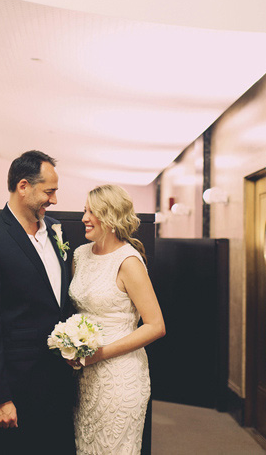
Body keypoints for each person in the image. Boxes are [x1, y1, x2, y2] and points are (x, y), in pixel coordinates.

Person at [0, 150, 76, 454]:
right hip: (18, 386)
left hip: (60, 382)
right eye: (49, 191)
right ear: (23, 186)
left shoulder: (55, 230)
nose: (54, 200)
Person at [69, 184, 165, 455]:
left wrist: (101, 354)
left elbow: (156, 326)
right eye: (84, 210)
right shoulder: (80, 255)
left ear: (111, 218)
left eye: (92, 212)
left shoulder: (129, 261)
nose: (84, 218)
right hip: (85, 376)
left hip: (120, 375)